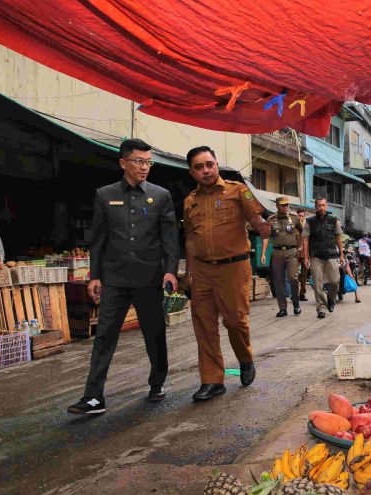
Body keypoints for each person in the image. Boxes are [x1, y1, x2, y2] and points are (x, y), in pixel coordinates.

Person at [68, 138, 179, 415]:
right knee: (104, 336)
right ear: (123, 163)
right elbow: (98, 239)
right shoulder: (104, 195)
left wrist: (170, 270)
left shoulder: (160, 195)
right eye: (139, 161)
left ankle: (157, 383)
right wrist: (95, 276)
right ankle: (94, 397)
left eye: (148, 162)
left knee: (154, 334)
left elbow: (170, 239)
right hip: (114, 278)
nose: (144, 167)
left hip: (149, 277)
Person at [183, 146, 271, 402]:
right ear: (192, 172)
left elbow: (256, 219)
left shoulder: (237, 190)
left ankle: (245, 359)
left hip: (233, 268)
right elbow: (190, 238)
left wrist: (264, 227)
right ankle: (212, 380)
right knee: (204, 325)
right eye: (199, 167)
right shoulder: (190, 201)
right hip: (201, 270)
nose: (206, 170)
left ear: (216, 163)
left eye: (209, 164)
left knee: (235, 321)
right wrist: (188, 271)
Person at [260, 197, 303, 317]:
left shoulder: (295, 218)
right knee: (278, 281)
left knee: (293, 278)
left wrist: (301, 248)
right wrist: (263, 253)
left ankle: (296, 303)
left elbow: (303, 233)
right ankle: (282, 307)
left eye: (287, 205)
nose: (285, 207)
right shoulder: (271, 219)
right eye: (283, 205)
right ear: (277, 206)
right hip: (277, 253)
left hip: (292, 252)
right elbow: (266, 237)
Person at [302, 197, 344, 319]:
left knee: (335, 281)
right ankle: (321, 308)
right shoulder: (310, 222)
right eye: (319, 205)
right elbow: (305, 239)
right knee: (317, 284)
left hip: (331, 255)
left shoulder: (334, 220)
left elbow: (338, 238)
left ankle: (331, 298)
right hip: (316, 257)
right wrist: (306, 257)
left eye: (323, 205)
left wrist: (341, 254)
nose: (321, 208)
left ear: (327, 206)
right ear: (316, 207)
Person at [296, 208, 309, 302]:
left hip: (305, 254)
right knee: (294, 275)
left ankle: (302, 293)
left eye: (302, 216)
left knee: (304, 275)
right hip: (295, 253)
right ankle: (294, 294)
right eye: (299, 216)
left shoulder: (307, 226)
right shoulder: (293, 225)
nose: (300, 217)